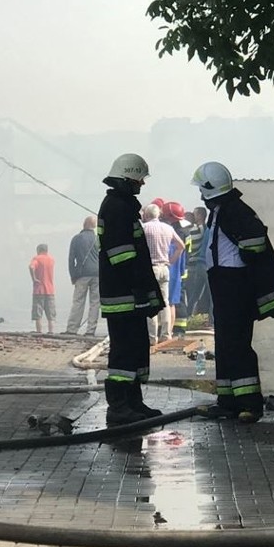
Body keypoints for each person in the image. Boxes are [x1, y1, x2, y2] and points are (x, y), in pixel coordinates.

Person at [191, 161, 274, 423]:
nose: (199, 194)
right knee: (225, 345)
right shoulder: (223, 210)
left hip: (234, 285)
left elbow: (254, 241)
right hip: (224, 284)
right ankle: (228, 401)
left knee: (237, 345)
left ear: (209, 189)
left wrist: (243, 260)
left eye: (201, 189)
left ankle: (249, 404)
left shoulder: (234, 210)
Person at [97, 153, 164, 425]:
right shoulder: (116, 207)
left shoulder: (123, 206)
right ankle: (118, 406)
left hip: (131, 296)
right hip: (123, 296)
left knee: (136, 348)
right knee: (123, 351)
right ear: (127, 178)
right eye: (139, 179)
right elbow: (123, 257)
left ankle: (134, 402)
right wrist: (141, 290)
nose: (141, 184)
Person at [141, 203, 184, 345]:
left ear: (146, 215)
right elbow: (181, 246)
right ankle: (167, 335)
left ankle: (152, 337)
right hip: (165, 269)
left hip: (150, 269)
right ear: (159, 214)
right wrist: (170, 261)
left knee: (151, 302)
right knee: (165, 302)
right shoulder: (168, 228)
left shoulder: (144, 228)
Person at [65, 215, 100, 336]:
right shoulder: (98, 239)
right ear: (94, 226)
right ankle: (91, 330)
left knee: (78, 301)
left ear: (84, 225)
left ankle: (72, 329)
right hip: (97, 274)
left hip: (82, 274)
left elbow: (71, 259)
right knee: (95, 302)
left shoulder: (76, 239)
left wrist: (72, 275)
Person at [161, 201, 191, 338]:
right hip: (182, 268)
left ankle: (176, 329)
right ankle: (178, 329)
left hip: (174, 269)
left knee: (172, 300)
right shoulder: (185, 230)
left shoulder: (172, 231)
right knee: (177, 300)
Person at [185, 206, 212, 322]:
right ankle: (212, 320)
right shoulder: (207, 229)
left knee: (195, 293)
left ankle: (188, 315)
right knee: (211, 294)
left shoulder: (200, 229)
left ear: (200, 215)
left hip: (199, 264)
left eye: (195, 214)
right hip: (206, 264)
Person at [29, 243, 56, 334]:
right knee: (51, 314)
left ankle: (39, 332)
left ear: (38, 250)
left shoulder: (37, 259)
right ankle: (51, 332)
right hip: (50, 290)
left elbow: (31, 266)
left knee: (38, 314)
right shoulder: (51, 259)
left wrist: (34, 279)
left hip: (39, 290)